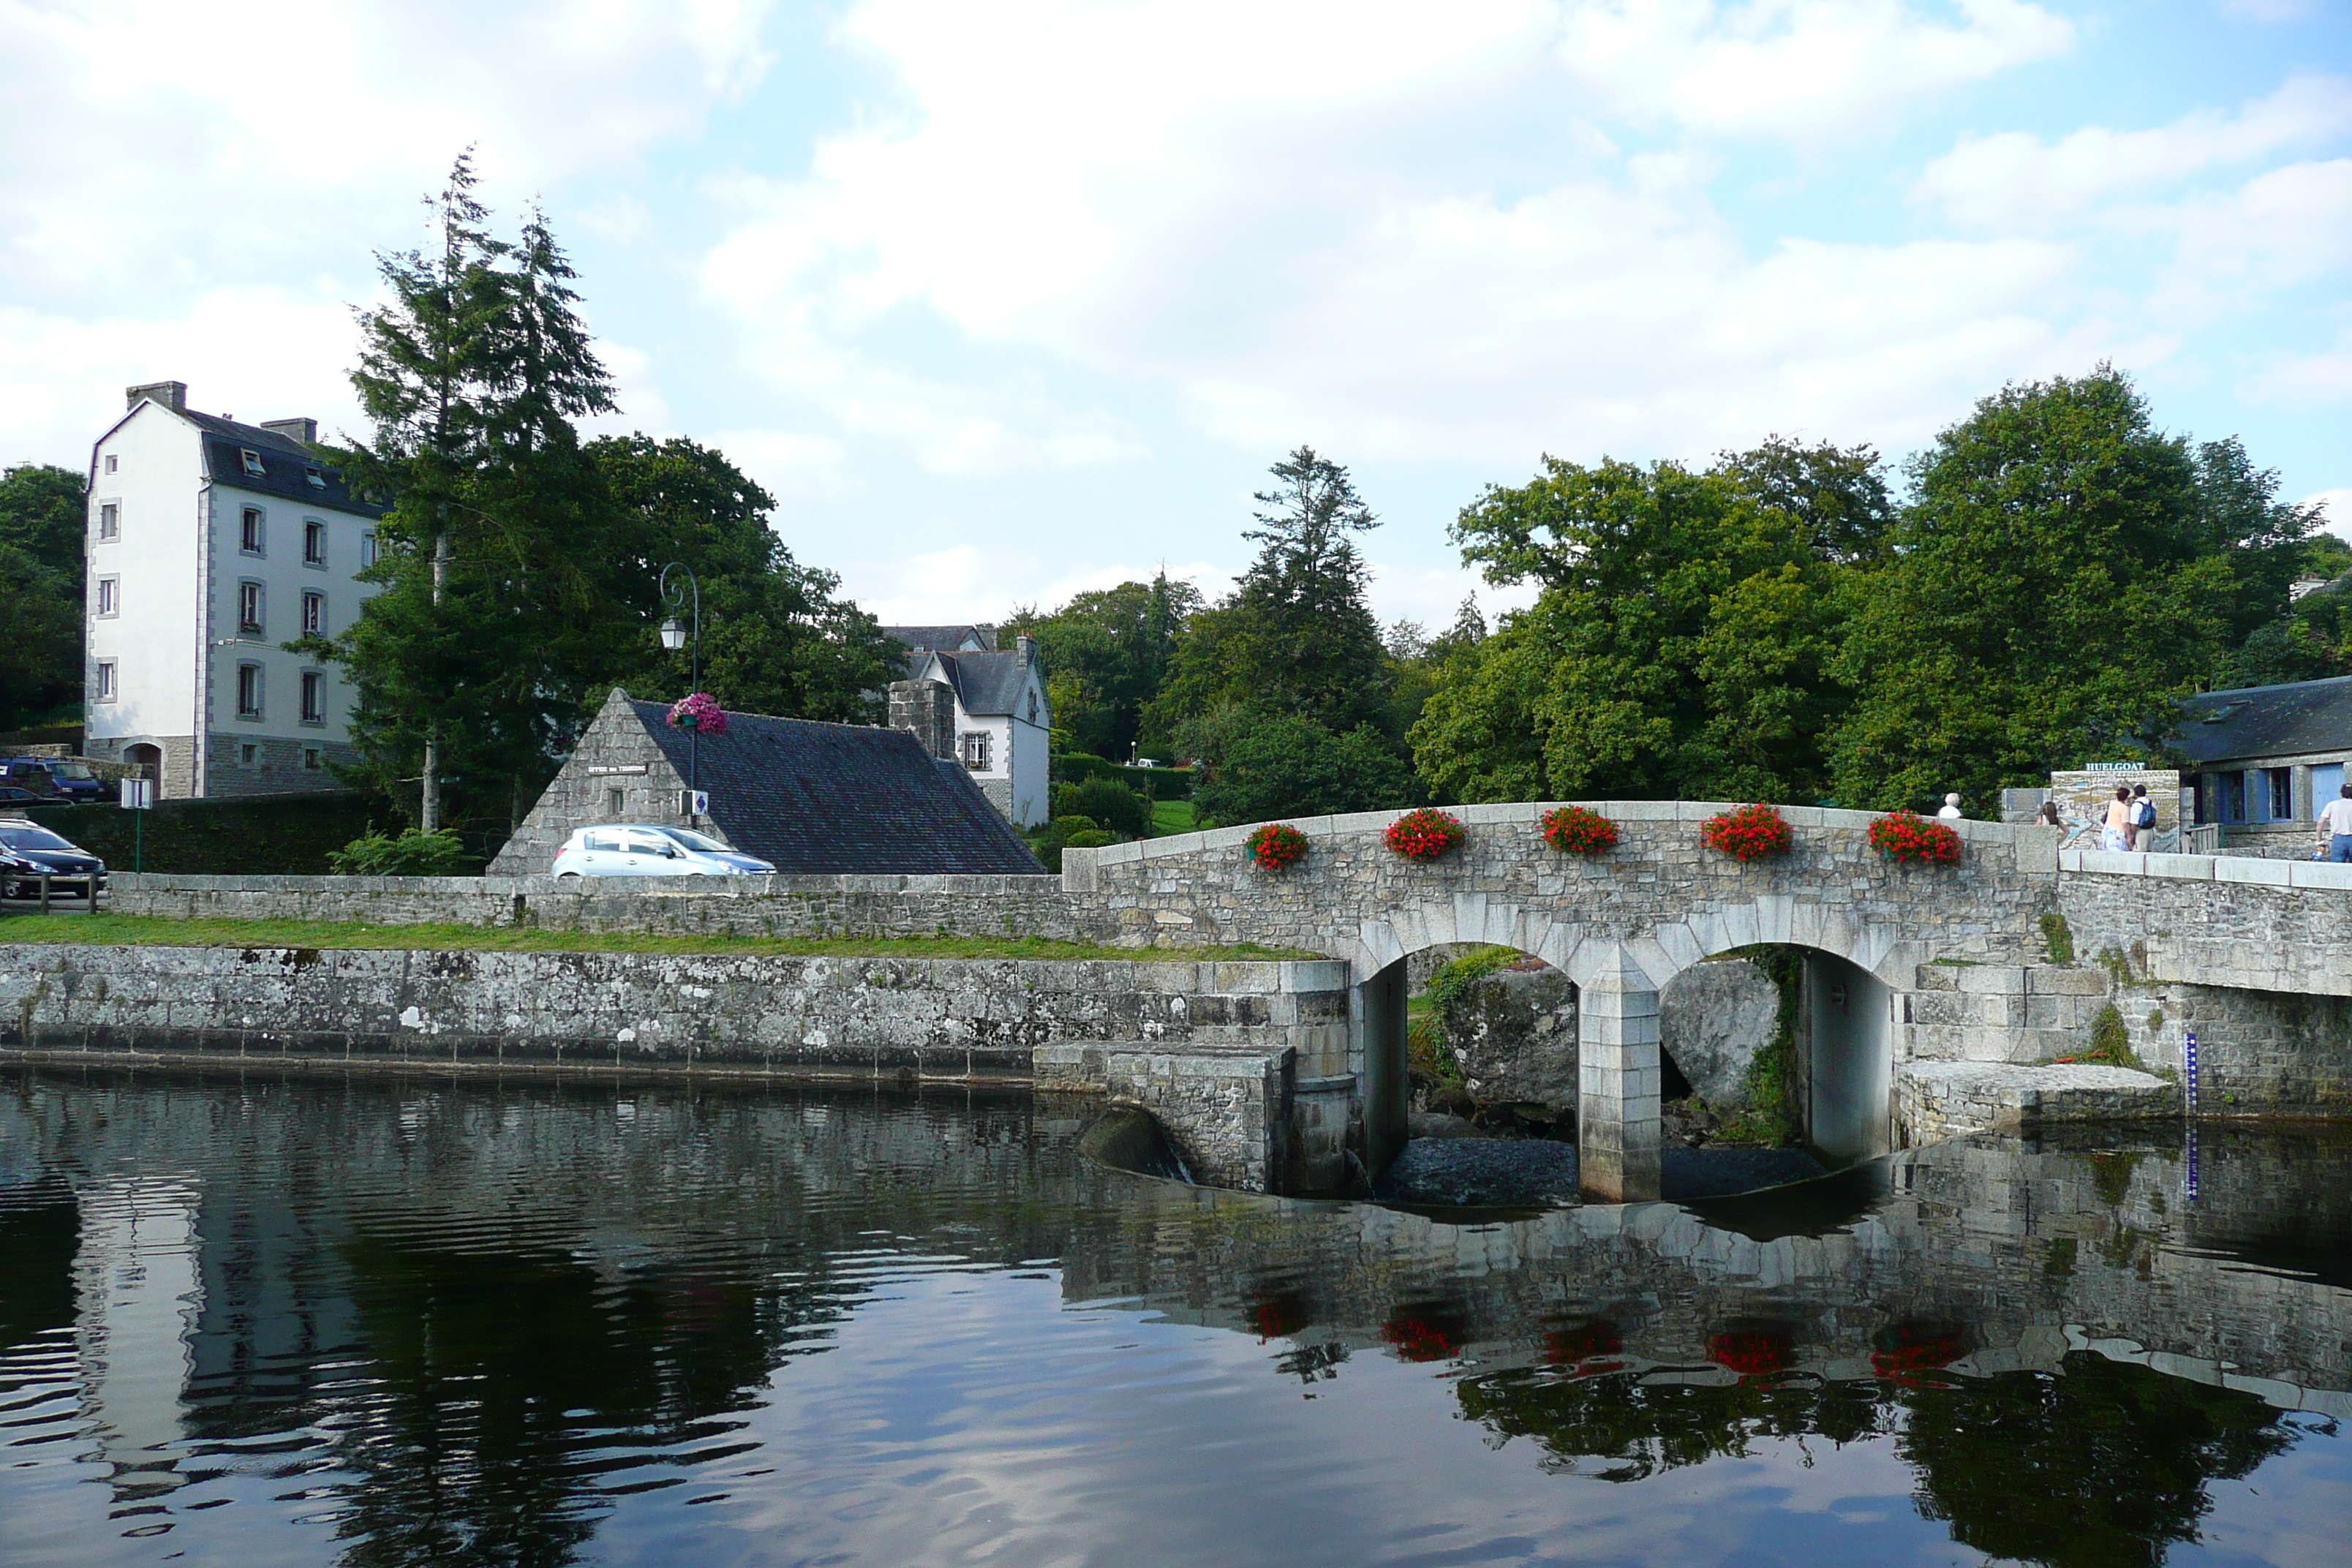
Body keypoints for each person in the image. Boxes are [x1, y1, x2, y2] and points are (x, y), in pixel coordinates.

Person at [2318, 783, 2352, 863]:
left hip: (2338, 838)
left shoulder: (2332, 805)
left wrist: (2319, 840)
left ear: (2341, 793)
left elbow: (2320, 823)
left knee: (2337, 867)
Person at [2102, 785, 2134, 852]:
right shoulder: (2124, 808)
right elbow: (2125, 823)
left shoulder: (2112, 804)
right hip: (2117, 832)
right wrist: (2130, 835)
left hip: (2107, 829)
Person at [2129, 784, 2157, 849]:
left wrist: (2132, 835)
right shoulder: (2151, 803)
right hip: (2151, 831)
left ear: (2135, 794)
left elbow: (2134, 823)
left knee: (2139, 854)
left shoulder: (2136, 805)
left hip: (2141, 832)